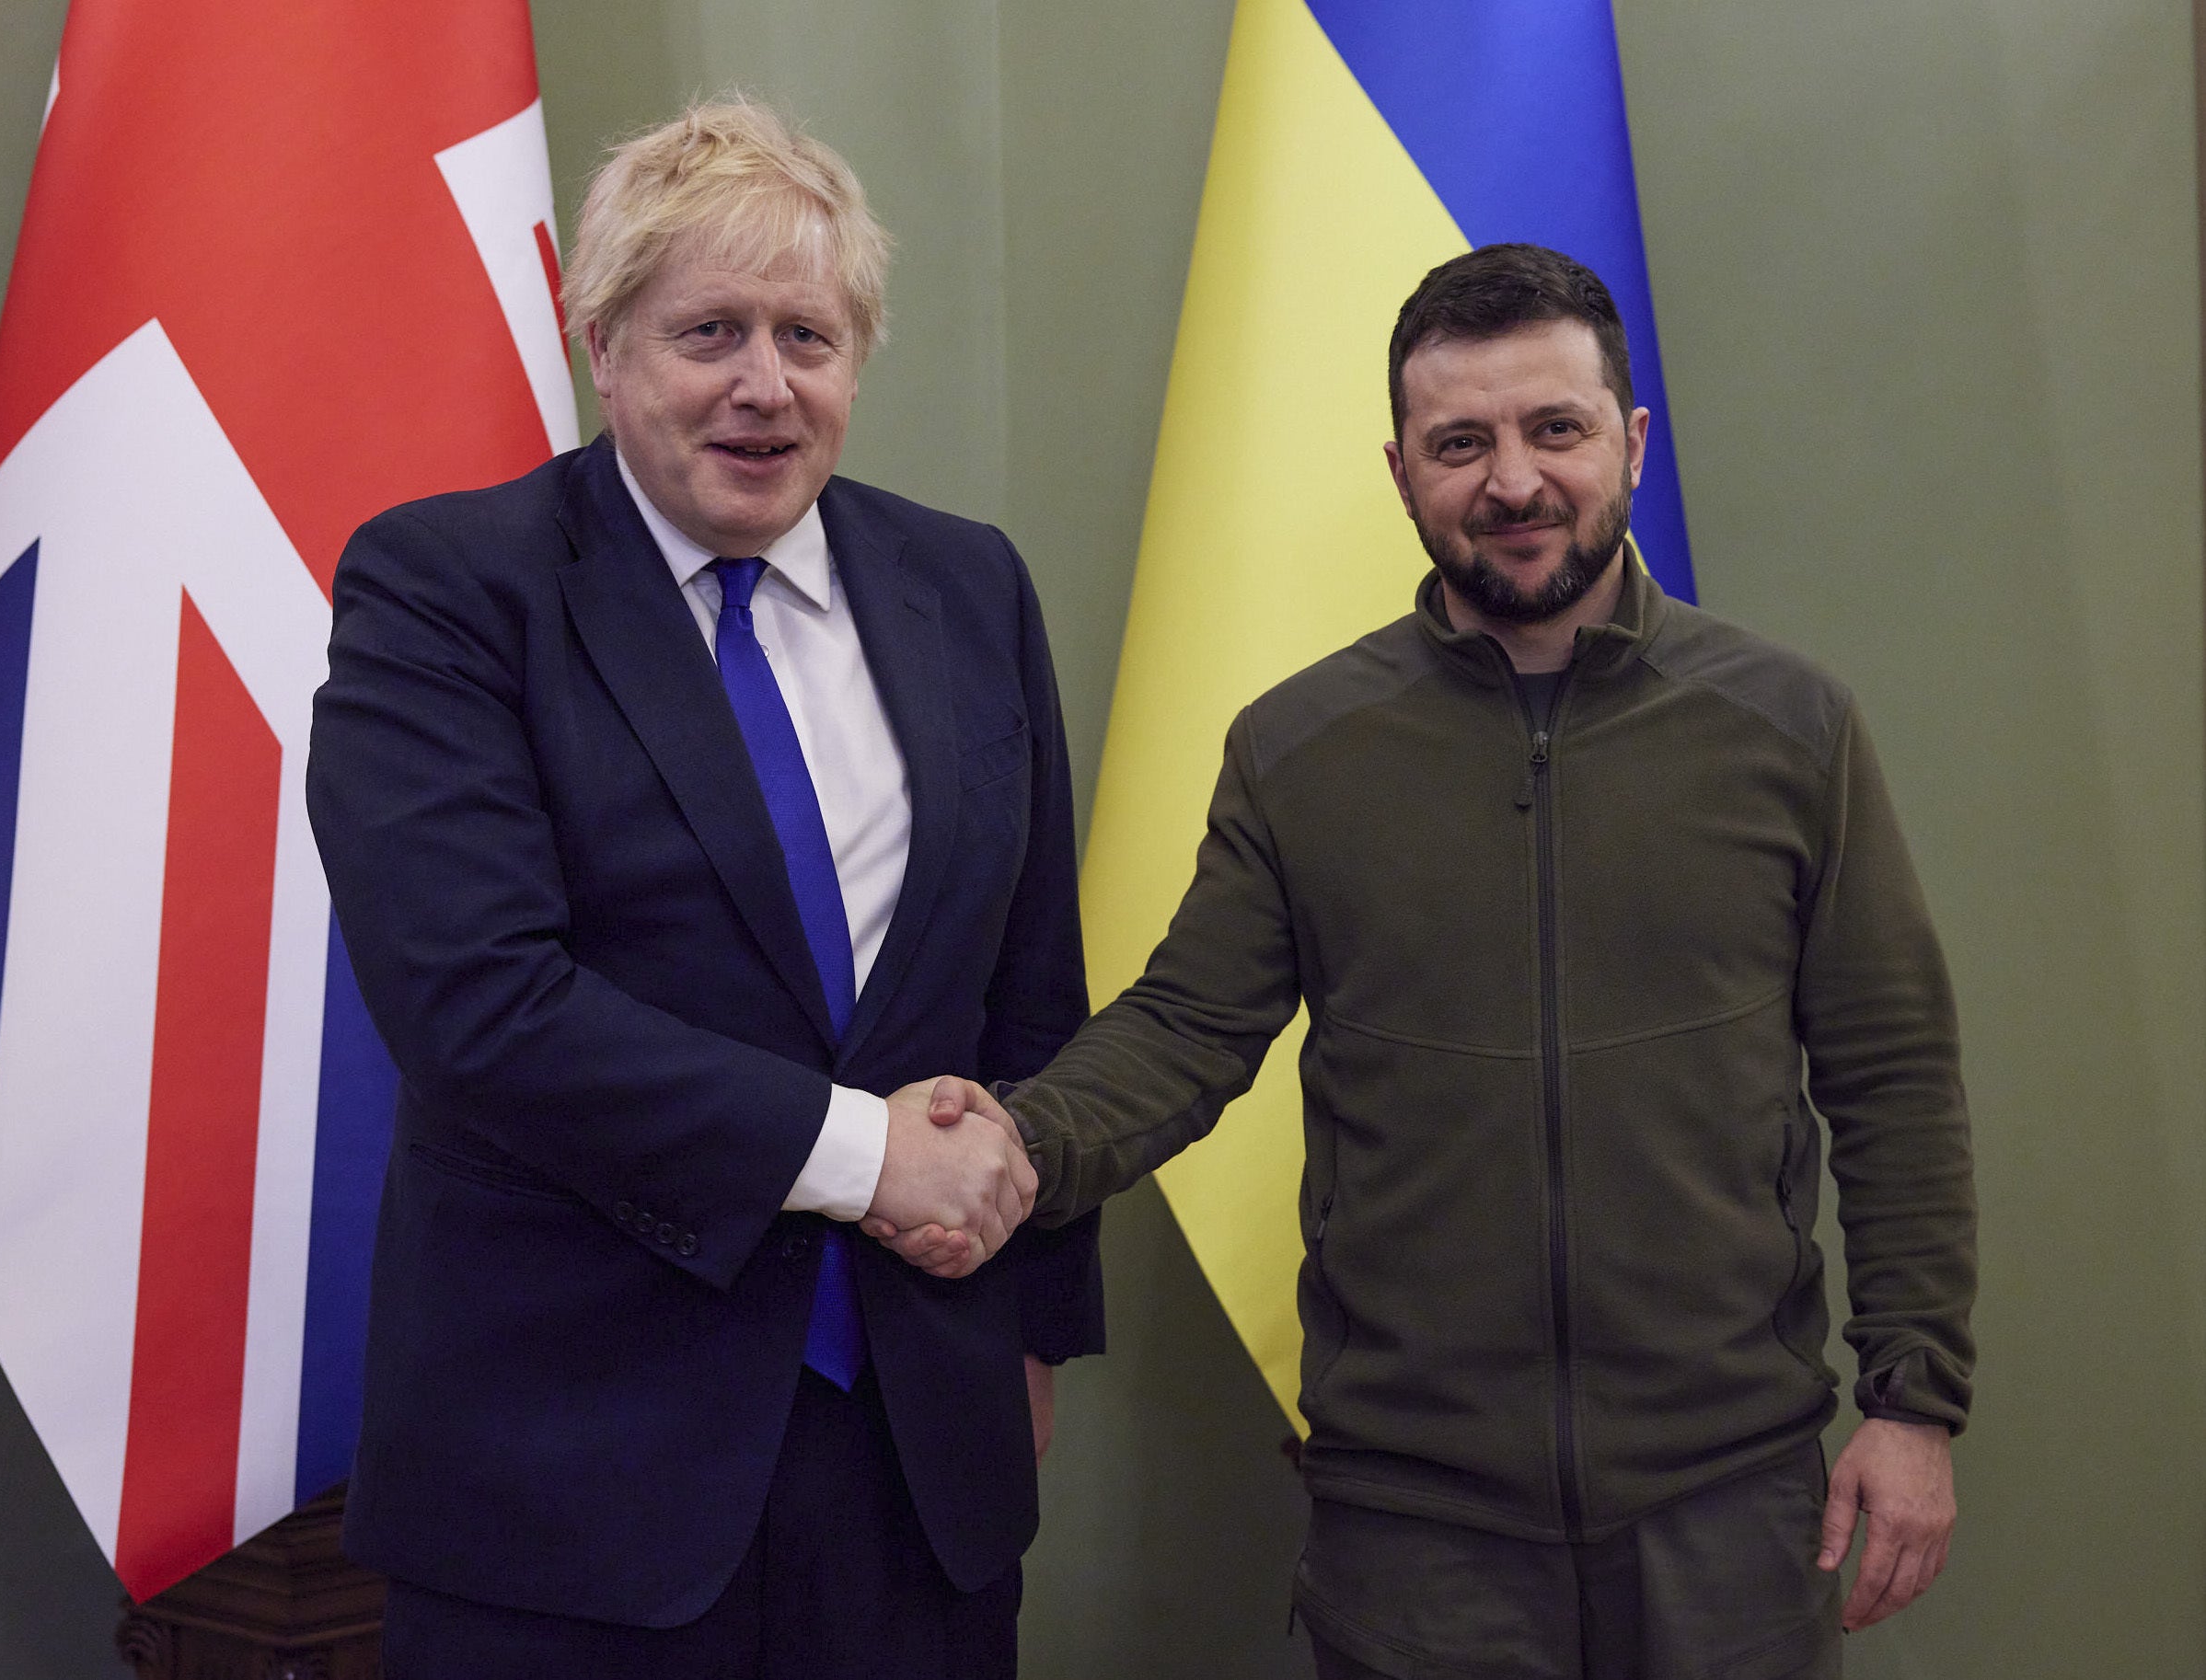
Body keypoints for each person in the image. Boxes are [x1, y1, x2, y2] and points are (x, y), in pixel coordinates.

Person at [884, 244, 1976, 1679]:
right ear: (1402, 470)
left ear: (1630, 445)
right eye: (1461, 442)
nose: (1511, 481)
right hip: (1415, 1529)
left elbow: (1893, 1079)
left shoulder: (1790, 730)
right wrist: (1017, 1141)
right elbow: (1184, 1030)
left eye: (1555, 430)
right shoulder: (1299, 751)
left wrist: (1915, 1404)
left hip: (1731, 1508)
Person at [307, 98, 1100, 1676]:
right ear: (602, 346)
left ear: (859, 359)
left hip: (918, 1462)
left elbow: (1030, 985)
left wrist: (1033, 1324)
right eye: (709, 331)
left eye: (808, 333)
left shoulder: (968, 586)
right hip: (570, 1473)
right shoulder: (449, 588)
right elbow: (480, 1006)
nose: (764, 384)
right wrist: (869, 1153)